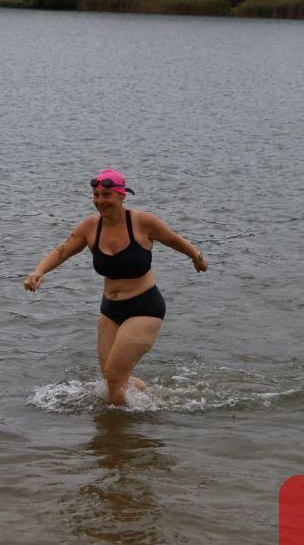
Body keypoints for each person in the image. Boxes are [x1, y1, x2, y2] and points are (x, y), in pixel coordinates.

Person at [24, 169, 208, 406]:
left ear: (122, 196)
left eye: (107, 195)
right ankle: (151, 400)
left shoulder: (143, 222)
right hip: (110, 309)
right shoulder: (90, 227)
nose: (100, 201)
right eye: (96, 195)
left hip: (144, 307)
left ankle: (120, 425)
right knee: (111, 377)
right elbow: (62, 251)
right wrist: (39, 271)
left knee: (113, 377)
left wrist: (197, 258)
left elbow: (174, 239)